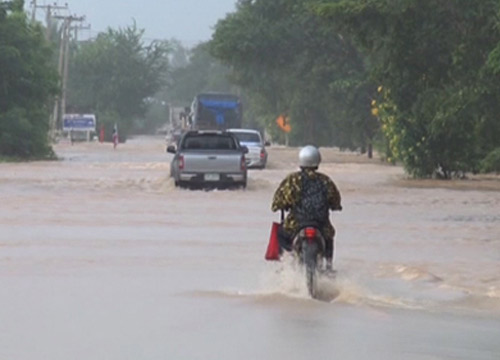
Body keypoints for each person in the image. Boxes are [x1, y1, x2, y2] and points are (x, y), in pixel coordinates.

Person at [271, 145, 342, 272]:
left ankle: (285, 265)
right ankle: (329, 267)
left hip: (296, 224)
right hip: (321, 225)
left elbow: (277, 201)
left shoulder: (292, 180)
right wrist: (336, 206)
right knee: (329, 238)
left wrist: (279, 206)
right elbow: (336, 201)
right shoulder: (326, 181)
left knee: (280, 234)